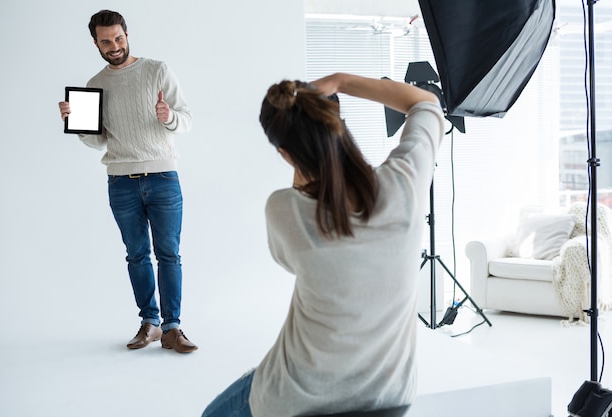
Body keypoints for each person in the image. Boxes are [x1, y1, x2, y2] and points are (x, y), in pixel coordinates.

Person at [201, 73, 444, 417]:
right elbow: (426, 102)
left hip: (297, 400)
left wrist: (304, 170)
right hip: (390, 398)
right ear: (338, 126)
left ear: (286, 154)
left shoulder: (284, 209)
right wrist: (342, 81)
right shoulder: (406, 182)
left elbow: (289, 261)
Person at [58, 10, 197, 354]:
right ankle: (149, 324)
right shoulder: (95, 85)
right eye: (106, 41)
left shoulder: (157, 70)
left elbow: (187, 120)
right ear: (95, 43)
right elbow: (98, 140)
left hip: (163, 176)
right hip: (121, 181)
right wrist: (77, 124)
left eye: (119, 38)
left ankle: (172, 328)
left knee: (169, 255)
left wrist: (169, 117)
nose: (114, 46)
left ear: (127, 34)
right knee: (136, 255)